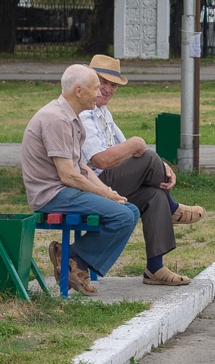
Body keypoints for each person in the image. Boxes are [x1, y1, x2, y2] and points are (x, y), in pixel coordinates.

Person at [80, 55, 205, 287]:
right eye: (102, 82)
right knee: (146, 155)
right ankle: (173, 208)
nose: (107, 90)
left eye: (113, 85)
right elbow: (101, 160)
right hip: (93, 186)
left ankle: (155, 268)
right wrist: (142, 151)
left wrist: (162, 167)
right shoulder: (84, 113)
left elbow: (130, 151)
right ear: (88, 82)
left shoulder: (103, 113)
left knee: (155, 194)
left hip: (111, 182)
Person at [21, 65, 139, 295]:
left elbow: (81, 166)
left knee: (131, 211)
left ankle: (73, 263)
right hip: (52, 195)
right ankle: (71, 259)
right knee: (123, 216)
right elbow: (68, 175)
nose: (99, 93)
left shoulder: (70, 117)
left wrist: (107, 190)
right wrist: (104, 195)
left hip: (64, 190)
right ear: (78, 90)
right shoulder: (56, 119)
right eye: (95, 88)